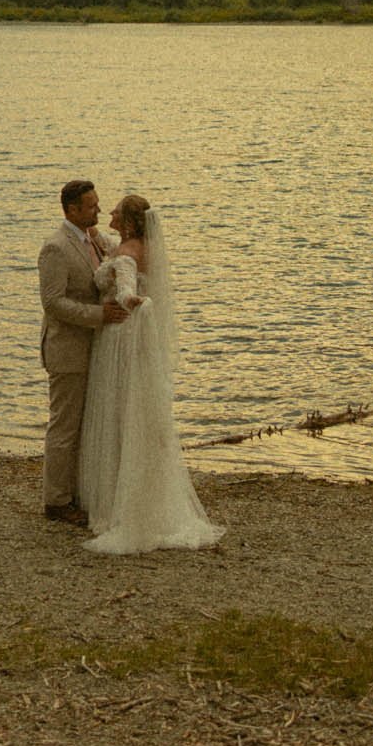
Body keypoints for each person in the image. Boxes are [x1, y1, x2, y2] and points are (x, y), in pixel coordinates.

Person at [77, 192, 221, 554]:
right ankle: (146, 498)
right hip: (138, 342)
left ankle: (117, 506)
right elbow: (112, 247)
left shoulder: (126, 256)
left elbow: (125, 289)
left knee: (117, 414)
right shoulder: (138, 247)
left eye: (115, 210)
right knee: (138, 414)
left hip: (119, 337)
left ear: (126, 221)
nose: (106, 211)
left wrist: (130, 301)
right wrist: (94, 236)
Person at [37, 179, 132, 525]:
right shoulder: (55, 248)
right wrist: (99, 316)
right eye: (91, 206)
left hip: (94, 348)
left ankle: (77, 492)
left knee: (86, 424)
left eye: (97, 203)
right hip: (68, 349)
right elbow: (53, 302)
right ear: (72, 209)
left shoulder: (95, 239)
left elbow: (119, 261)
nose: (98, 209)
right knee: (65, 427)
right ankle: (56, 501)